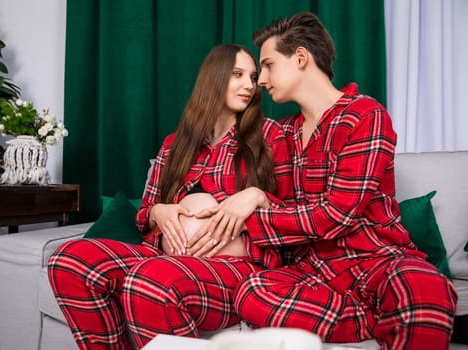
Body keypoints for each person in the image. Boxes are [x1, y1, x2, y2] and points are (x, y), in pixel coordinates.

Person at [185, 12, 458, 350]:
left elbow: (337, 215)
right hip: (311, 270)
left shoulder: (364, 115)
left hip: (376, 259)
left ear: (300, 58)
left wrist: (254, 212)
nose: (262, 80)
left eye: (268, 66)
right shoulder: (279, 133)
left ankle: (390, 310)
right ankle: (381, 320)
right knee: (253, 292)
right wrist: (169, 209)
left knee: (424, 286)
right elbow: (222, 167)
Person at [48, 44, 294, 350]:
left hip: (236, 269)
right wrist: (158, 212)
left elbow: (293, 216)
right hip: (167, 258)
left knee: (150, 281)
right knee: (69, 260)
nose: (250, 84)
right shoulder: (175, 144)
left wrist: (256, 197)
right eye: (237, 74)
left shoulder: (270, 136)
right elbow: (145, 213)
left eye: (253, 76)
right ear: (213, 78)